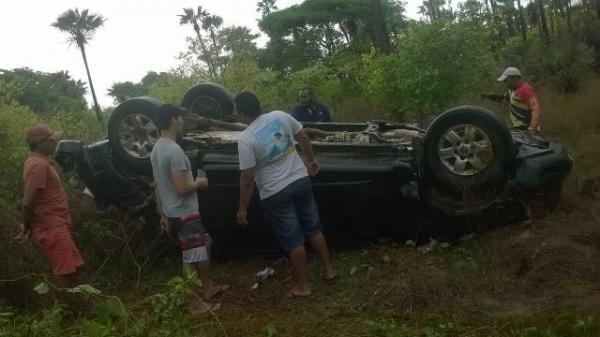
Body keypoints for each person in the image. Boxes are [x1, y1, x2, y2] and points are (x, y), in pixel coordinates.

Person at [235, 91, 336, 298]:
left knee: (294, 240)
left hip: (276, 192)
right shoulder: (280, 116)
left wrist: (242, 208)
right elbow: (304, 138)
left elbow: (247, 177)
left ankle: (303, 286)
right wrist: (311, 161)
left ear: (244, 114)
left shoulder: (245, 139)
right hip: (301, 180)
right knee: (314, 228)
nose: (236, 115)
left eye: (237, 112)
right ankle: (329, 270)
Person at [150, 104, 228, 313]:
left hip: (174, 211)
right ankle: (196, 305)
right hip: (185, 212)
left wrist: (163, 213)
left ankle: (208, 286)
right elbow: (182, 187)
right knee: (193, 257)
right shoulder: (174, 151)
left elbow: (158, 183)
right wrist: (200, 183)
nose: (184, 122)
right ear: (173, 120)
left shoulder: (157, 148)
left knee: (206, 243)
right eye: (181, 119)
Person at [16, 123, 85, 285]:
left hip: (57, 224)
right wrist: (26, 226)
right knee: (65, 273)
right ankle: (66, 307)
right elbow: (28, 201)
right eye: (51, 139)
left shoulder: (41, 162)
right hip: (51, 226)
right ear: (40, 143)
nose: (55, 142)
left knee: (75, 268)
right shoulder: (38, 165)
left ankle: (76, 306)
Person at [482, 67, 542, 133]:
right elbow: (503, 98)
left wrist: (532, 128)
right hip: (518, 127)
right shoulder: (512, 90)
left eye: (505, 81)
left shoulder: (526, 90)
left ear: (514, 79)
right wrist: (488, 95)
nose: (504, 84)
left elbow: (535, 109)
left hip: (526, 128)